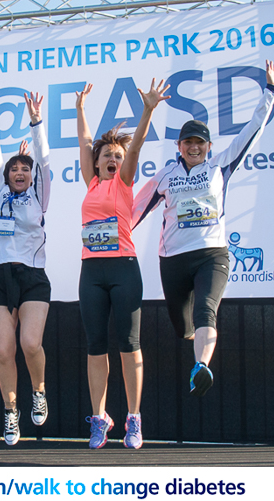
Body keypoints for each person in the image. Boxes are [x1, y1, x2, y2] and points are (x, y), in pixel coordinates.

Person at [132, 60, 274, 397]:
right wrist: (116, 239)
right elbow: (136, 210)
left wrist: (270, 90)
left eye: (200, 142)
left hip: (211, 254)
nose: (194, 147)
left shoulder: (220, 166)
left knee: (206, 310)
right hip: (173, 259)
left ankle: (200, 366)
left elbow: (253, 129)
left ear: (209, 146)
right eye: (188, 142)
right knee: (182, 325)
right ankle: (192, 337)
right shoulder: (165, 176)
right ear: (179, 146)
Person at [75, 79, 170, 449]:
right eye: (106, 156)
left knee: (129, 344)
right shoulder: (91, 184)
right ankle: (99, 418)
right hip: (92, 273)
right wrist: (80, 108)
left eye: (117, 155)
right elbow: (85, 141)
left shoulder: (124, 183)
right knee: (95, 345)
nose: (113, 159)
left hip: (124, 269)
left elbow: (137, 145)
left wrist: (148, 109)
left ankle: (133, 417)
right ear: (96, 163)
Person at [0, 85, 51, 445]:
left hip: (33, 277)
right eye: (14, 169)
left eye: (25, 168)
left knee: (30, 344)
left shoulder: (39, 193)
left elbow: (44, 161)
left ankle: (38, 390)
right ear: (7, 176)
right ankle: (11, 411)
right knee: (4, 351)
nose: (20, 172)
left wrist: (37, 123)